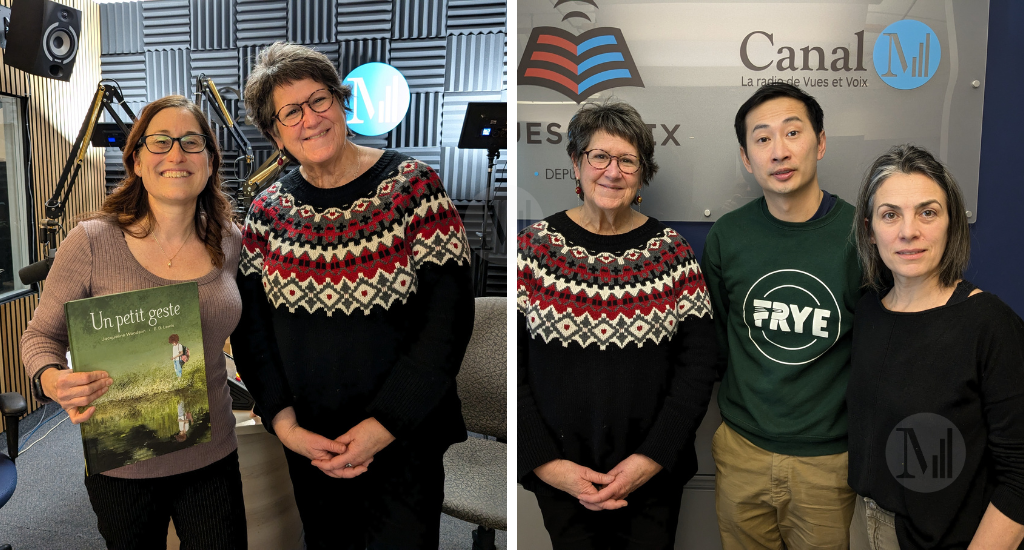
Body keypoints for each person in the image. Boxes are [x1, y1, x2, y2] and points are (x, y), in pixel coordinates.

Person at [231, 41, 474, 549]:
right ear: (275, 133)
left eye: (319, 100)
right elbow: (251, 330)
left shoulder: (414, 188)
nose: (310, 119)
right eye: (290, 112)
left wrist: (385, 424)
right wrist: (283, 422)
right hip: (311, 439)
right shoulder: (266, 212)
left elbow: (447, 323)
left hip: (403, 437)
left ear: (342, 103)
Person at [20, 95, 247, 549]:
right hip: (125, 462)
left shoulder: (229, 239)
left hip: (213, 453)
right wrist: (53, 380)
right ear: (137, 161)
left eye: (191, 141)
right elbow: (40, 337)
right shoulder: (90, 242)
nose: (176, 154)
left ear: (209, 161)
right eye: (160, 142)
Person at [517, 101, 717, 549]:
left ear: (643, 173)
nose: (613, 171)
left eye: (628, 160)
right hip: (561, 479)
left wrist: (651, 459)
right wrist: (547, 465)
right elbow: (514, 369)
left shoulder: (673, 254)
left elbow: (699, 367)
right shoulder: (532, 252)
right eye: (599, 156)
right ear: (576, 163)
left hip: (653, 480)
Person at [700, 82, 862, 549]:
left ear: (821, 142)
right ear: (748, 159)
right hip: (741, 449)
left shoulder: (862, 237)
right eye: (763, 138)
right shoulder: (728, 236)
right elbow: (718, 339)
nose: (780, 151)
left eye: (793, 132)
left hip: (828, 459)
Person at [847, 144, 1024, 549]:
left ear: (951, 224)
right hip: (865, 525)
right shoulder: (870, 311)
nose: (909, 231)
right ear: (870, 231)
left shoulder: (989, 323)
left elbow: (1020, 474)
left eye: (928, 212)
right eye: (890, 215)